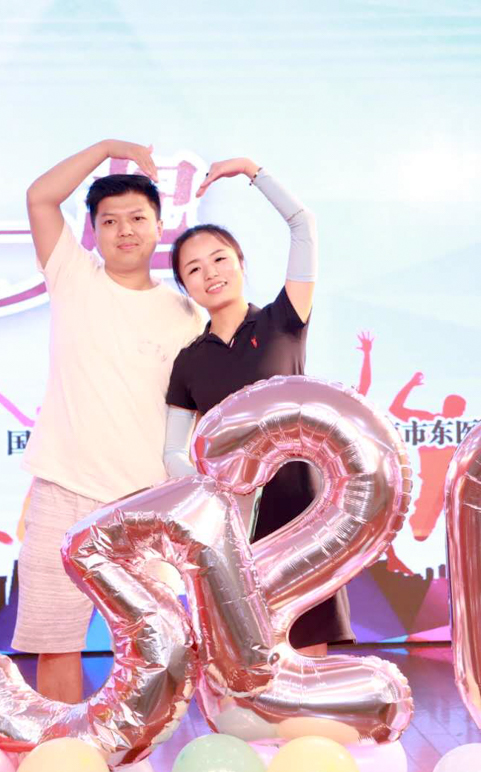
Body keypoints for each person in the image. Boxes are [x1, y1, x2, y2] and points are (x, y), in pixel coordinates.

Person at [14, 140, 203, 703]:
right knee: (56, 644)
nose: (125, 230)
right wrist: (107, 149)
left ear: (159, 226)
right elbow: (40, 197)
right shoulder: (74, 276)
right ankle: (64, 752)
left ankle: (134, 749)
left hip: (148, 504)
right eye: (110, 220)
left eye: (138, 218)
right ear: (93, 231)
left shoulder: (187, 314)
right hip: (64, 490)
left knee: (153, 649)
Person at [162, 157, 353, 656]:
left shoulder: (282, 321)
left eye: (220, 259)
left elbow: (303, 224)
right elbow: (172, 451)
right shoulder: (188, 362)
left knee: (307, 649)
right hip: (231, 522)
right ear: (185, 287)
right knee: (246, 651)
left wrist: (252, 171)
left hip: (301, 507)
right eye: (194, 269)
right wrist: (215, 493)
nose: (210, 273)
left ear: (241, 264)